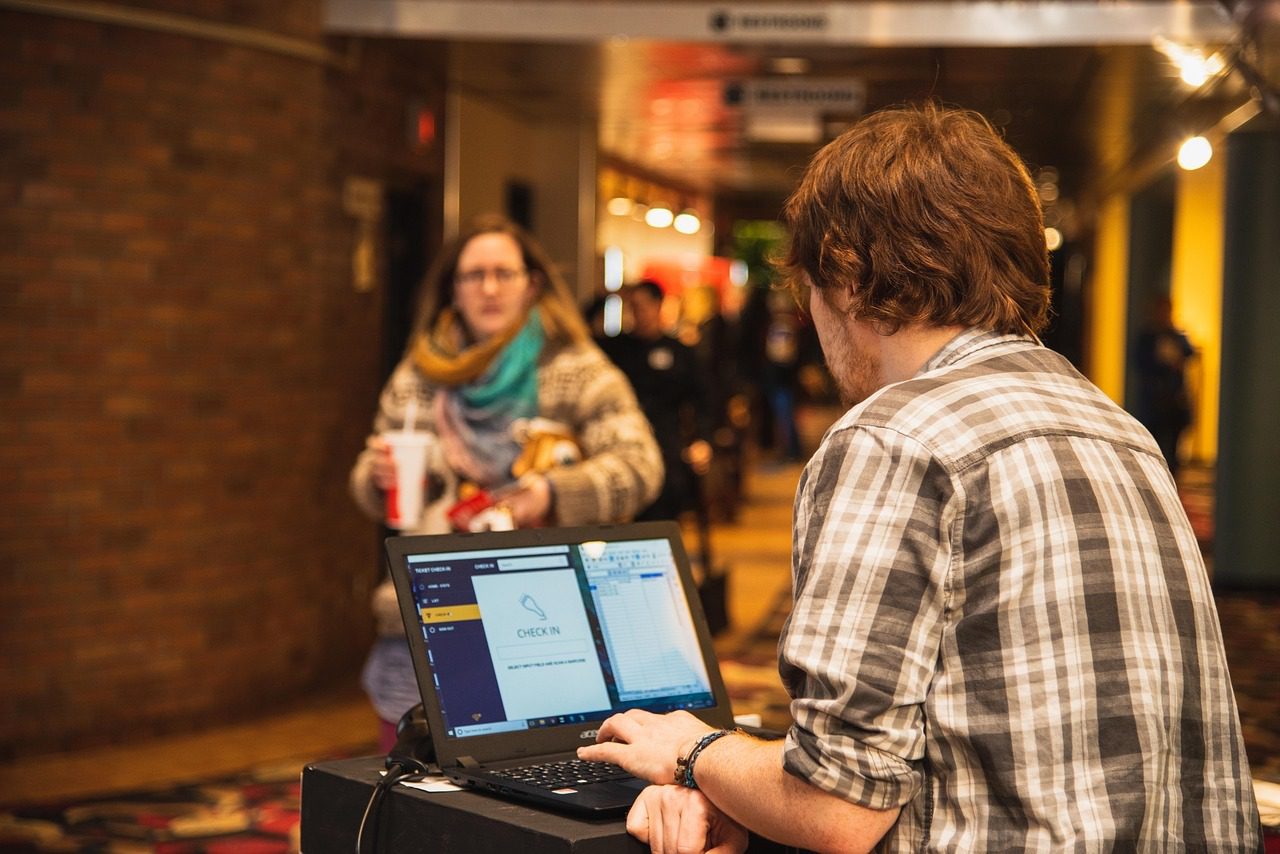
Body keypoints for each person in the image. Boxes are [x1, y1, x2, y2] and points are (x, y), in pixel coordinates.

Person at [579, 104, 1261, 852]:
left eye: (806, 288)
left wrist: (693, 752)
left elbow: (837, 806)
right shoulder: (1114, 426)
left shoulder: (893, 437)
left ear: (843, 271)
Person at [350, 214, 663, 749]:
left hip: (543, 617)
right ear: (453, 287)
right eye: (473, 275)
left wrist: (554, 493)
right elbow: (373, 465)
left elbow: (641, 465)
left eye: (504, 273)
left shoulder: (575, 367)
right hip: (433, 613)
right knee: (412, 779)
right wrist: (375, 476)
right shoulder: (420, 372)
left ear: (531, 283)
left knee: (525, 774)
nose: (489, 288)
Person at [598, 279, 714, 521]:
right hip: (623, 444)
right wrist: (605, 295)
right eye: (633, 306)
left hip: (668, 446)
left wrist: (702, 439)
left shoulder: (680, 351)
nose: (639, 313)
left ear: (658, 305)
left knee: (666, 513)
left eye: (644, 305)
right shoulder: (616, 347)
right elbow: (582, 327)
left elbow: (703, 398)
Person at [1133, 295, 1196, 479]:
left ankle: (1174, 481)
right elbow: (1140, 363)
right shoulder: (1146, 337)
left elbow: (1189, 353)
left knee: (1174, 450)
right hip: (1154, 402)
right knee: (1154, 445)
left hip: (1175, 401)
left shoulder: (1176, 335)